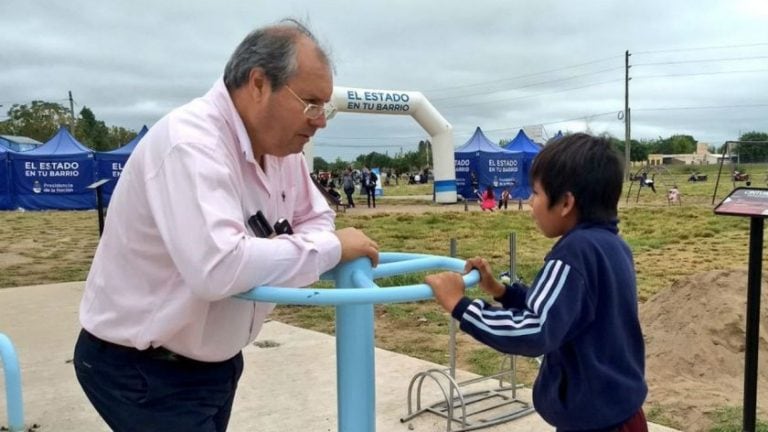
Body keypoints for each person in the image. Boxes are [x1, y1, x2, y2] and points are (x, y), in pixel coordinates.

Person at [73, 19, 380, 432]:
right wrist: (328, 249)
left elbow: (318, 217)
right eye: (310, 102)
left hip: (212, 363)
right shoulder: (192, 144)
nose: (320, 120)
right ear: (258, 84)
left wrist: (290, 248)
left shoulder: (282, 151)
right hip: (144, 368)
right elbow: (218, 267)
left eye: (325, 107)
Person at [425, 133, 647, 431]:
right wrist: (501, 291)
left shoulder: (574, 253)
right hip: (619, 412)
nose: (530, 202)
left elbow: (536, 329)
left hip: (596, 423)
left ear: (566, 202)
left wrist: (460, 306)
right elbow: (565, 311)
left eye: (536, 193)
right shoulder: (611, 246)